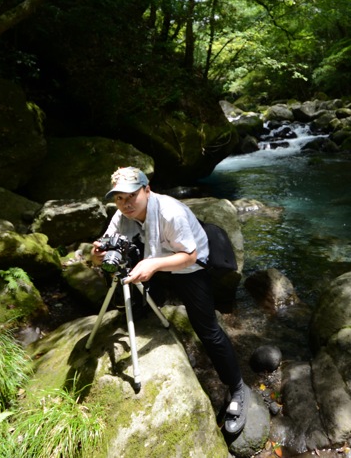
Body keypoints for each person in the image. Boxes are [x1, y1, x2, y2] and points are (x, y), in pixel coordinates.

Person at [92, 166, 248, 436]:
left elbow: (189, 256)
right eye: (119, 198)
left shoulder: (170, 212)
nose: (126, 204)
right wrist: (97, 257)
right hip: (153, 255)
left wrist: (153, 265)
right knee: (126, 267)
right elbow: (105, 249)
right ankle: (148, 303)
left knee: (207, 330)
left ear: (147, 190)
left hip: (189, 265)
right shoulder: (122, 216)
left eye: (132, 196)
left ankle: (237, 387)